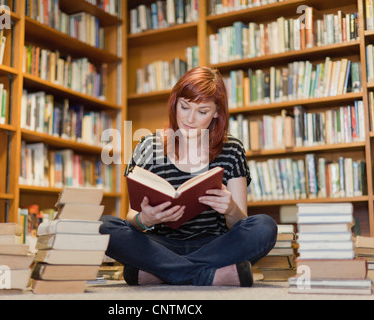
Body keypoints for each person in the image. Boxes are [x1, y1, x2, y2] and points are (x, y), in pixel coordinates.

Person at [100, 66, 277, 287]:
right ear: (175, 103)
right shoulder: (149, 146)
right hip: (160, 245)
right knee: (103, 225)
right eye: (184, 107)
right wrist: (144, 219)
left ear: (216, 113)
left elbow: (242, 225)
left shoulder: (232, 149)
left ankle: (160, 273)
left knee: (264, 226)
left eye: (202, 112)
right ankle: (208, 276)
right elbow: (131, 219)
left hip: (214, 245)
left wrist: (230, 209)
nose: (190, 119)